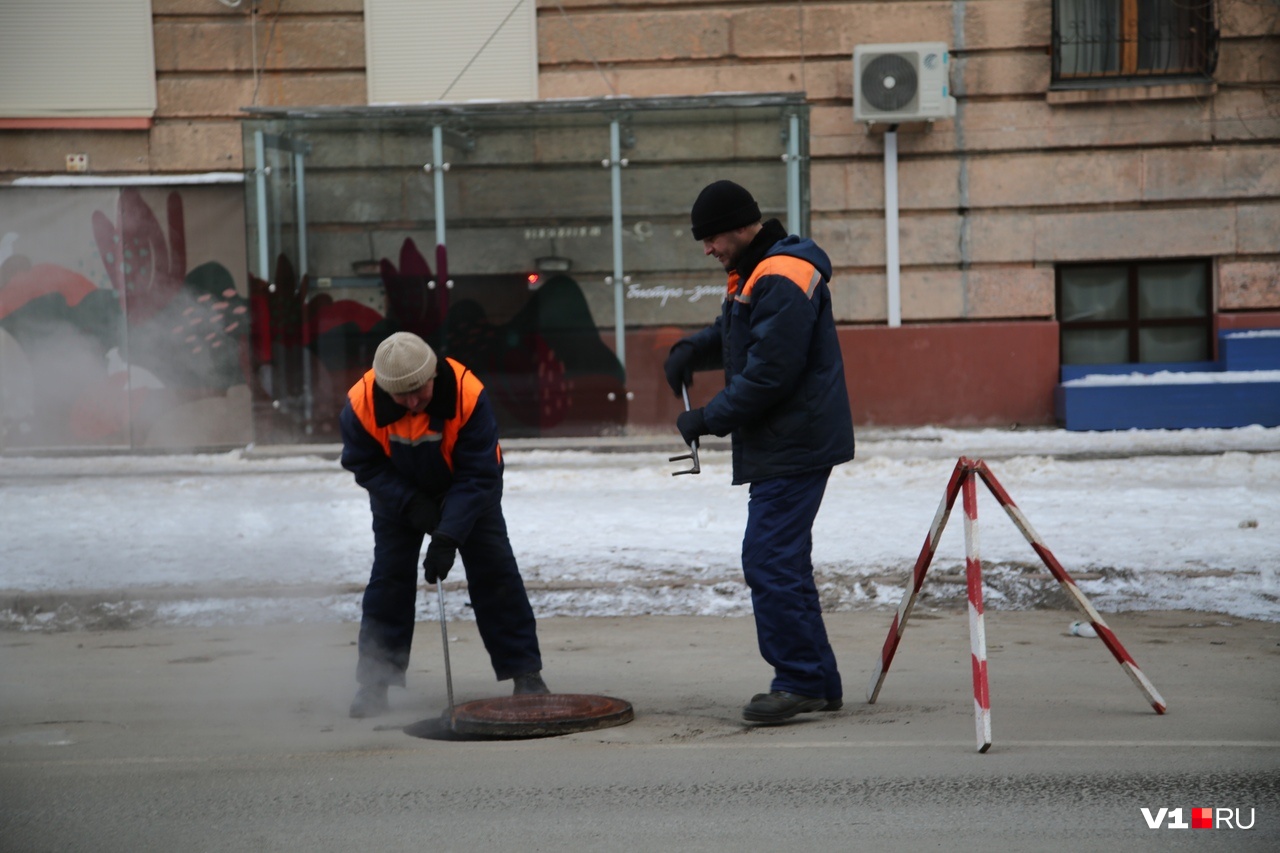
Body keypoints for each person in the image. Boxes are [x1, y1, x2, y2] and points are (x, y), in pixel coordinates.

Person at [665, 180, 855, 724]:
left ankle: (796, 680)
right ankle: (817, 679)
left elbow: (770, 372)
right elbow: (736, 332)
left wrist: (707, 418)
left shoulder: (779, 273)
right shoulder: (759, 271)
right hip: (789, 439)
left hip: (794, 441)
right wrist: (689, 352)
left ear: (737, 226)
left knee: (768, 559)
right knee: (785, 562)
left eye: (710, 238)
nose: (707, 249)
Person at [340, 331, 548, 718]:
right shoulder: (360, 402)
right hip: (398, 496)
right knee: (389, 580)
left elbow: (478, 475)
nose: (414, 401)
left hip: (469, 488)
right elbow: (363, 464)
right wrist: (410, 504)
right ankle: (374, 683)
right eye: (402, 395)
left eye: (420, 389)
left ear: (434, 373)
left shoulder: (468, 393)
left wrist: (448, 535)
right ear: (384, 389)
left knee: (495, 572)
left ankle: (525, 673)